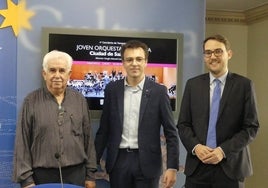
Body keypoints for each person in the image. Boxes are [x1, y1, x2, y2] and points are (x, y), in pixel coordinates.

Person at [177, 34, 259, 188]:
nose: (212, 56)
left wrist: (222, 151)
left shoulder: (244, 85)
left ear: (229, 54)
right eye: (208, 53)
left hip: (230, 167)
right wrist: (196, 147)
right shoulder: (193, 85)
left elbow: (251, 127)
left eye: (218, 51)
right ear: (204, 57)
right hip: (197, 167)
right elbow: (183, 124)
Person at [94, 40, 179, 188]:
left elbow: (171, 132)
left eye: (139, 59)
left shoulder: (159, 92)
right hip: (118, 161)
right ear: (123, 62)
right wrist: (92, 163)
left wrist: (172, 167)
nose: (134, 63)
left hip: (147, 163)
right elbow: (104, 130)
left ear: (146, 62)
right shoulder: (112, 90)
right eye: (129, 59)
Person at [13, 50, 97, 188]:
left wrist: (90, 176)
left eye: (62, 70)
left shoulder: (79, 100)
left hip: (76, 175)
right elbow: (22, 142)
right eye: (52, 70)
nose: (57, 75)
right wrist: (26, 180)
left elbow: (88, 140)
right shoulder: (31, 101)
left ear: (69, 74)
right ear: (44, 74)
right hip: (41, 177)